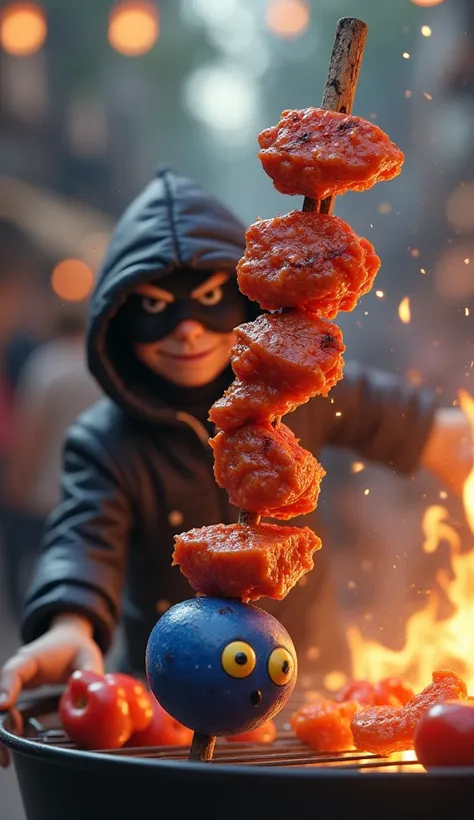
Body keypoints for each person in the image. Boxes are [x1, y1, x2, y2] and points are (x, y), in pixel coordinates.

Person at [0, 166, 470, 709]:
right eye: (155, 307)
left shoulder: (294, 392)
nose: (187, 328)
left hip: (309, 682)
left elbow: (396, 416)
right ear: (118, 320)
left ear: (246, 299)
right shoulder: (107, 441)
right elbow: (84, 538)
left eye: (207, 299)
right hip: (169, 698)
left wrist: (449, 438)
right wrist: (71, 623)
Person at [0, 302, 102, 618]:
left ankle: (33, 617)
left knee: (33, 560)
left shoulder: (47, 364)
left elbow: (32, 431)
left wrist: (15, 482)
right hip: (94, 491)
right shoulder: (99, 366)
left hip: (43, 490)